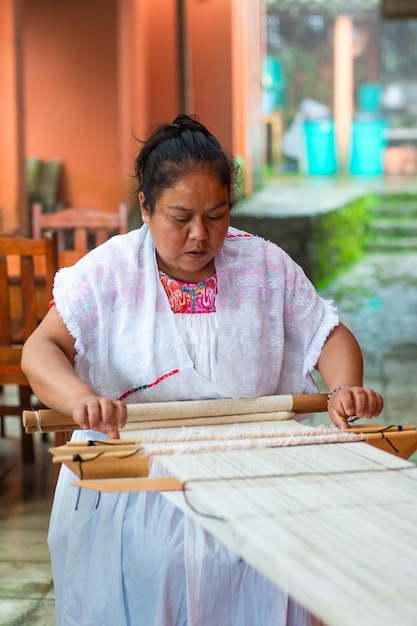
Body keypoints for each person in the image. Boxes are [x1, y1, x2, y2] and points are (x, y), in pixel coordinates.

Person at [22, 114, 383, 626]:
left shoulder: (263, 266)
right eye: (180, 217)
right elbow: (41, 350)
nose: (200, 234)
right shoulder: (109, 273)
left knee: (292, 571)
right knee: (167, 571)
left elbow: (328, 335)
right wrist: (80, 397)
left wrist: (345, 388)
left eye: (216, 215)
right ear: (145, 207)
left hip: (253, 473)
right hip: (137, 479)